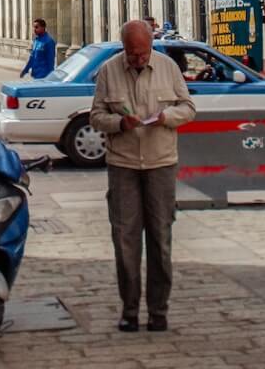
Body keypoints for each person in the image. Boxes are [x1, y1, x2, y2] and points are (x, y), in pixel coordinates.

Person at [90, 19, 195, 334]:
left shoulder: (167, 67)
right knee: (125, 240)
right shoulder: (109, 71)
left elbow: (189, 108)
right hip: (122, 165)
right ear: (124, 48)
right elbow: (95, 116)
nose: (138, 60)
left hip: (160, 162)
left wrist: (167, 117)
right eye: (132, 54)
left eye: (143, 53)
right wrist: (119, 124)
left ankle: (159, 311)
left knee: (161, 239)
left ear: (151, 46)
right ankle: (130, 311)